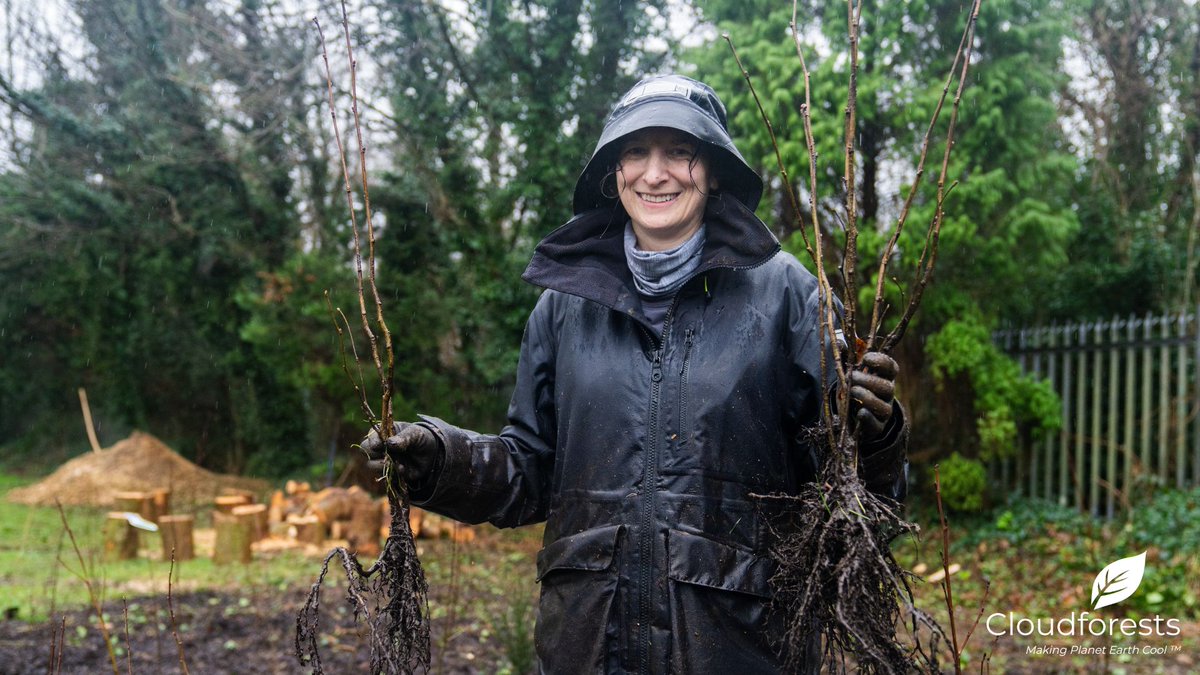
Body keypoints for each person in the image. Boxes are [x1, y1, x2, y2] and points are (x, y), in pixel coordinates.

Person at [363, 74, 908, 673]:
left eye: (680, 151)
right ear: (613, 172)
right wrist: (443, 461)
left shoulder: (788, 296)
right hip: (589, 645)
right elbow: (532, 469)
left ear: (716, 170)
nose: (656, 174)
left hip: (741, 647)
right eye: (635, 152)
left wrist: (876, 442)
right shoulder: (564, 306)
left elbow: (847, 501)